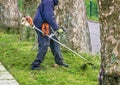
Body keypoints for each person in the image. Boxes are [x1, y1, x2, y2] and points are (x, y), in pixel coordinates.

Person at [31, 0, 69, 70]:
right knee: (45, 44)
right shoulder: (48, 1)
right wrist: (57, 28)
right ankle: (35, 65)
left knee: (54, 41)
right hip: (40, 25)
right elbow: (49, 16)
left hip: (45, 24)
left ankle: (59, 61)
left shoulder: (51, 1)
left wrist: (55, 27)